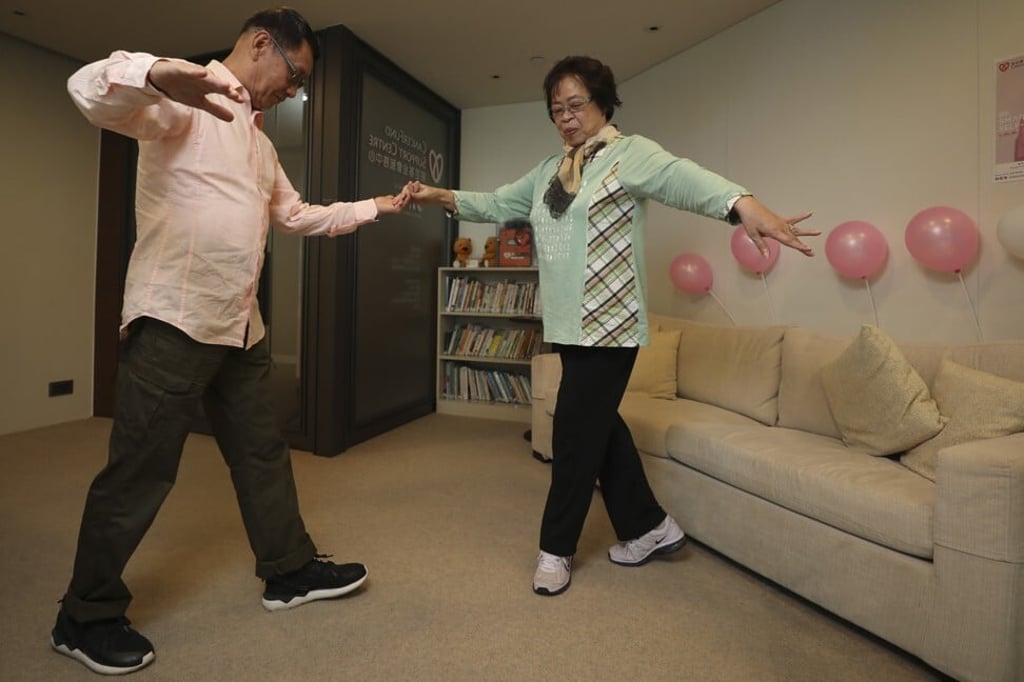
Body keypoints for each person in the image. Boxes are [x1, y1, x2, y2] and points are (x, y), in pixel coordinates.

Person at [54, 7, 407, 675]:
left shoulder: (261, 145)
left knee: (262, 454)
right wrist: (159, 72)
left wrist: (375, 208)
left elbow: (295, 214)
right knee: (140, 471)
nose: (293, 91)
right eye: (293, 75)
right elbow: (86, 89)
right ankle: (83, 614)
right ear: (261, 44)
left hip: (241, 327)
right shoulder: (183, 100)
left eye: (301, 84)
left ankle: (288, 570)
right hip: (175, 319)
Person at [405, 55, 817, 597]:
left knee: (574, 434)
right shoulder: (550, 171)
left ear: (602, 103)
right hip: (568, 322)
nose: (567, 118)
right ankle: (650, 527)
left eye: (576, 105)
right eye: (557, 110)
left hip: (610, 324)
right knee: (599, 425)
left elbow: (683, 178)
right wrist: (441, 196)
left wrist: (743, 203)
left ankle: (556, 549)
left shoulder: (630, 154)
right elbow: (499, 201)